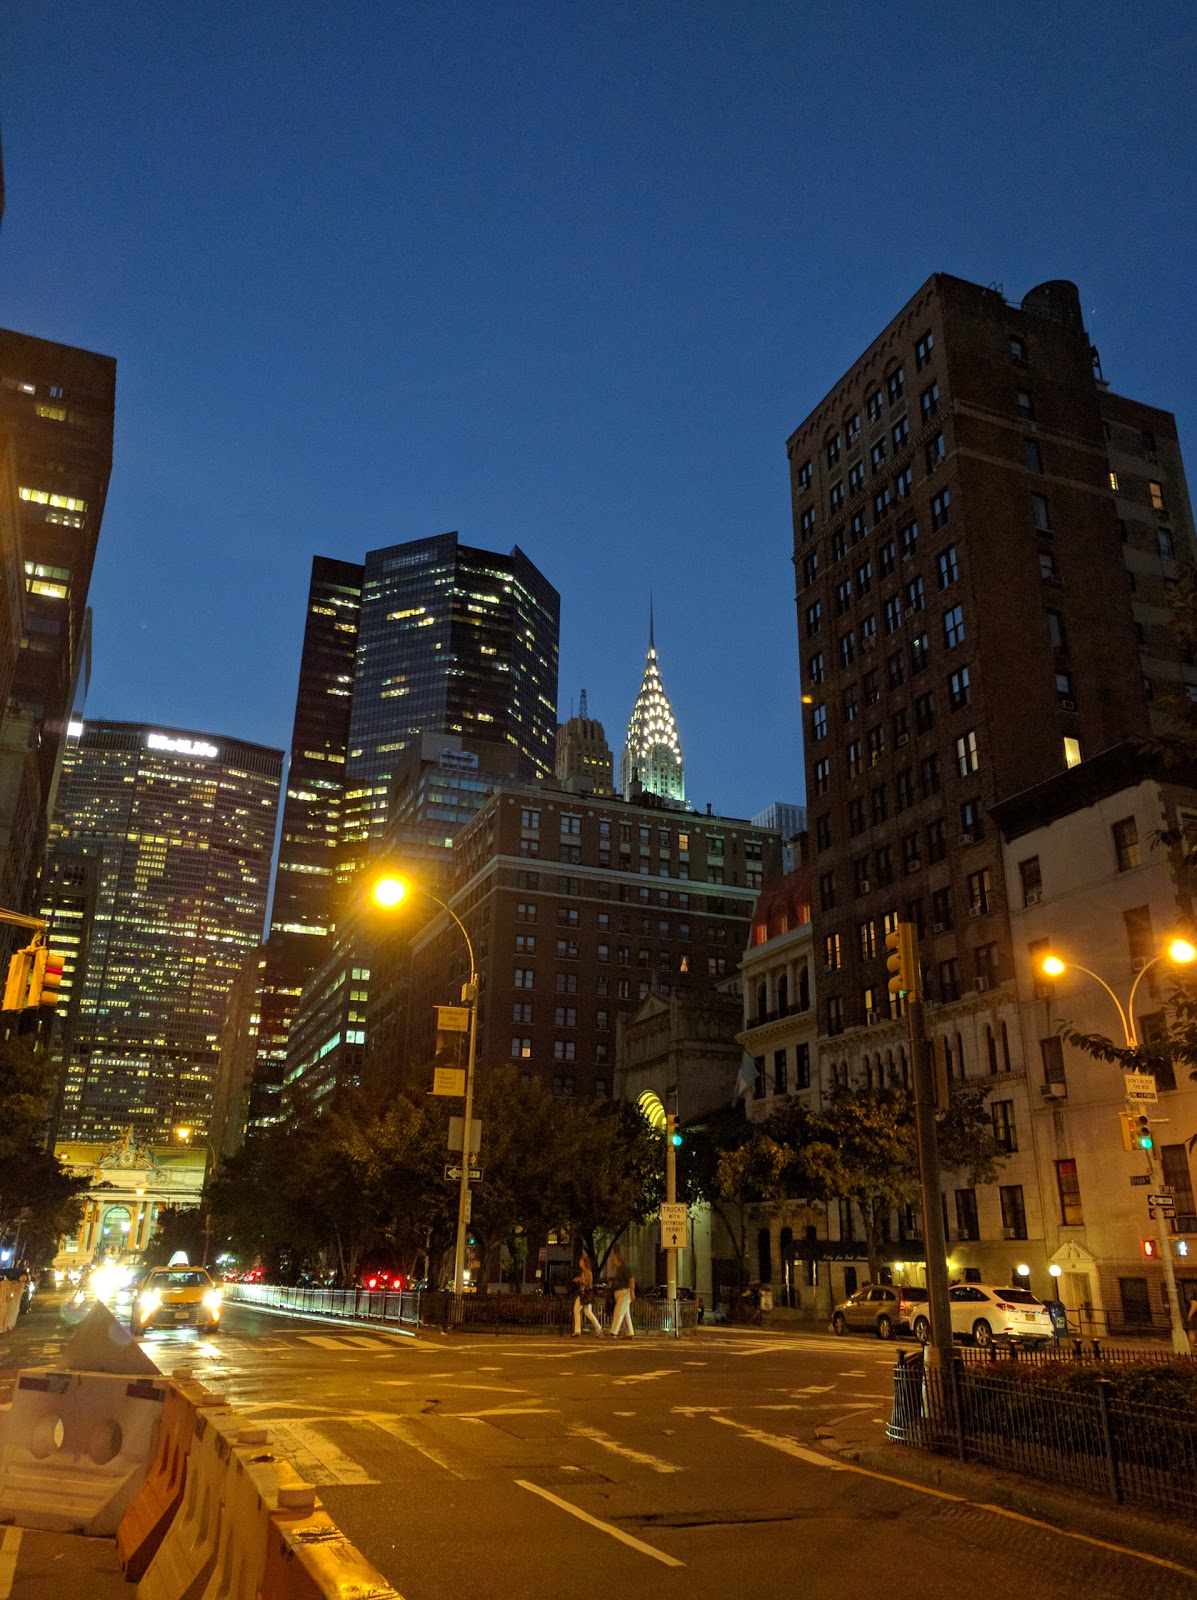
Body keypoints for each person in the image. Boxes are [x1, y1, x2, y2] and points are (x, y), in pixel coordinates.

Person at [572, 1252, 603, 1337]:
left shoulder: (588, 1272)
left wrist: (581, 1281)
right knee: (584, 1311)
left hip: (585, 1294)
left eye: (581, 1261)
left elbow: (589, 1283)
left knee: (581, 1310)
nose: (579, 1263)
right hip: (583, 1293)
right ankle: (597, 1328)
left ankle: (579, 1330)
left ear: (584, 1263)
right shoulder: (584, 1272)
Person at [609, 1245, 635, 1338]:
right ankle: (630, 1333)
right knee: (625, 1313)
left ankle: (614, 1332)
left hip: (624, 1292)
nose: (613, 1261)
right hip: (621, 1292)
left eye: (614, 1259)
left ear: (618, 1260)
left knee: (618, 1311)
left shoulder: (625, 1268)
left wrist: (632, 1292)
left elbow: (631, 1279)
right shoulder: (619, 1269)